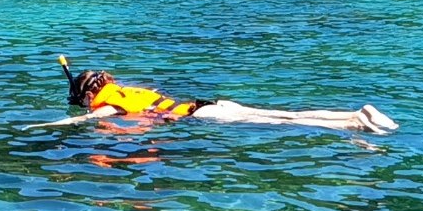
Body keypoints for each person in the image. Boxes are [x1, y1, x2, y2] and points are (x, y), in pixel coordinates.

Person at [23, 58, 400, 135]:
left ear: (88, 94)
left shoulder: (108, 103)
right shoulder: (126, 90)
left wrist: (39, 125)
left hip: (205, 118)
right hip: (211, 104)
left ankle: (355, 121)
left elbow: (81, 121)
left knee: (285, 120)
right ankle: (354, 116)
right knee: (286, 114)